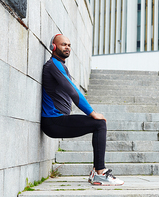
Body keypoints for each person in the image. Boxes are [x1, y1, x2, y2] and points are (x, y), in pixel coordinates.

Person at [41, 34, 124, 186]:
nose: (67, 47)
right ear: (53, 46)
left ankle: (97, 172)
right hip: (53, 121)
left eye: (69, 45)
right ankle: (100, 172)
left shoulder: (60, 65)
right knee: (99, 124)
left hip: (57, 120)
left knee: (98, 125)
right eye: (63, 44)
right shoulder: (54, 65)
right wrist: (92, 113)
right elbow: (74, 92)